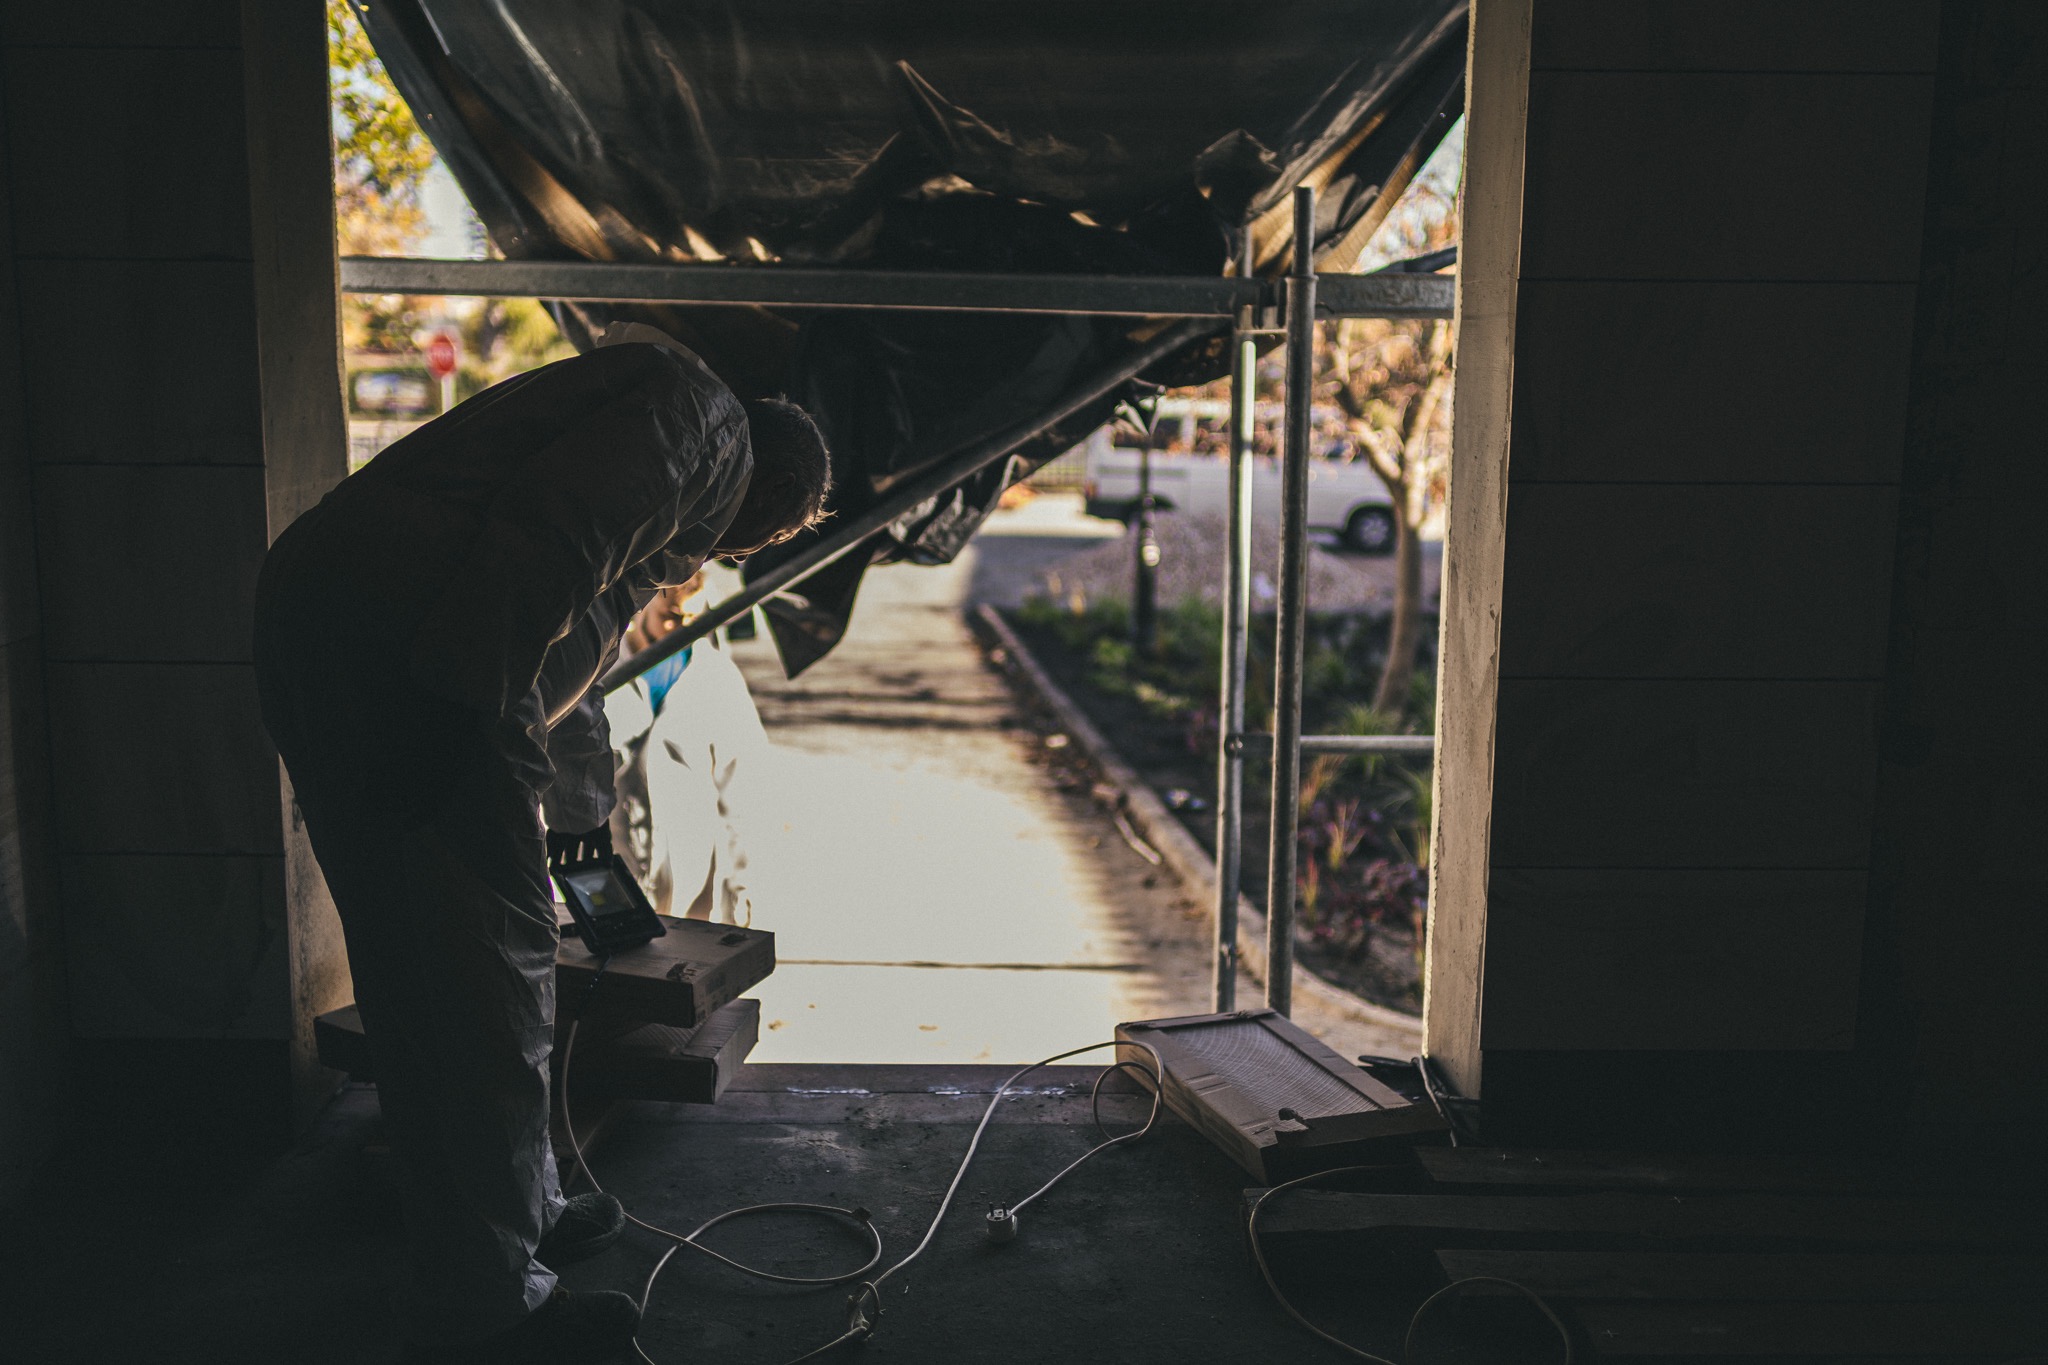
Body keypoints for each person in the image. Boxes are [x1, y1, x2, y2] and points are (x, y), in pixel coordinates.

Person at [253, 326, 829, 1364]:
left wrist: (581, 833)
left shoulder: (659, 467)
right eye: (757, 543)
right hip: (416, 655)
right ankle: (489, 1301)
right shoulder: (704, 429)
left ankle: (512, 1213)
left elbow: (573, 664)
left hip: (343, 623)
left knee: (414, 963)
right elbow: (539, 556)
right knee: (488, 982)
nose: (727, 560)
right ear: (775, 492)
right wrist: (456, 721)